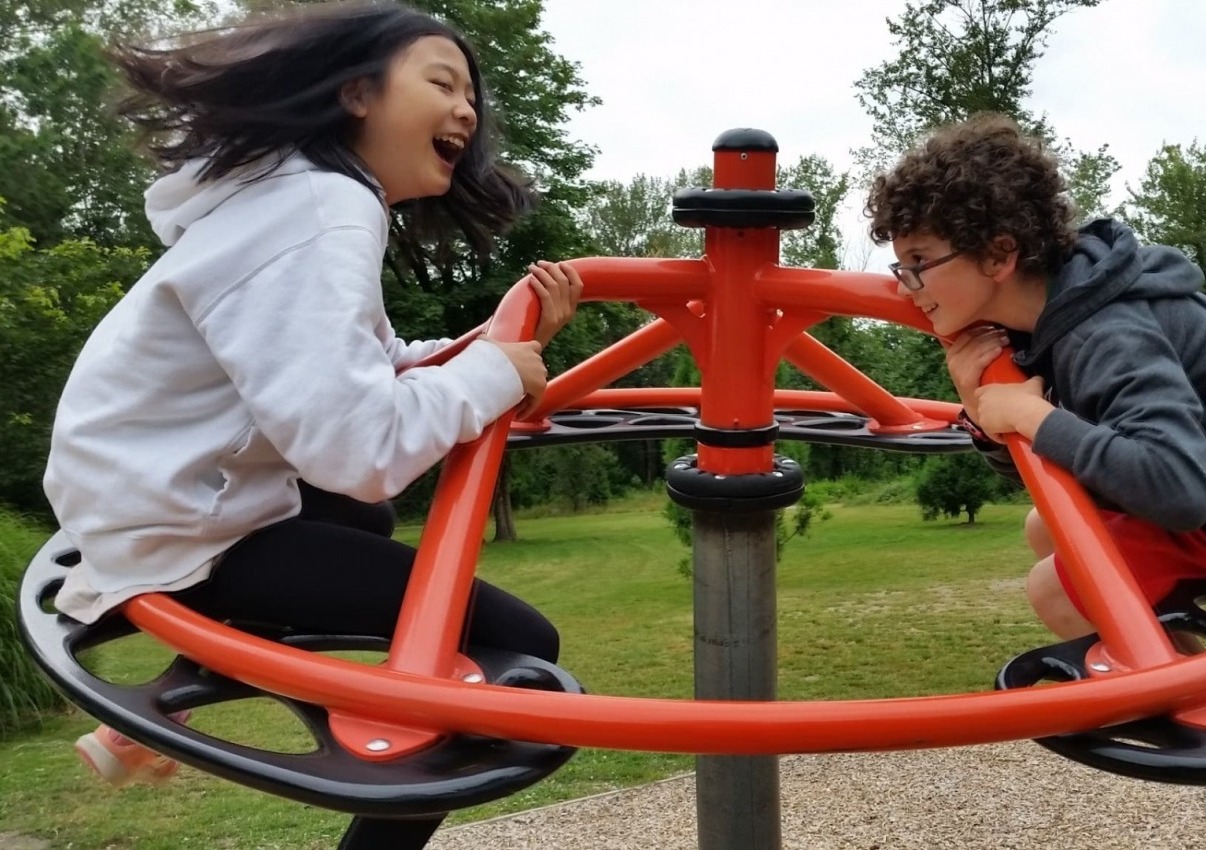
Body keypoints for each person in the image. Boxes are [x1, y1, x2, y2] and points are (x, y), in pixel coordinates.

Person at [42, 2, 583, 847]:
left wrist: (496, 350)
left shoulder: (291, 198)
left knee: (356, 525)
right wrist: (488, 377)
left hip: (150, 500)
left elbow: (368, 369)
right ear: (358, 92)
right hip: (186, 529)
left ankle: (164, 697)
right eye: (442, 81)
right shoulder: (325, 208)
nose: (467, 110)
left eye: (471, 94)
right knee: (512, 646)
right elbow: (358, 447)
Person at [864, 113, 1206, 643]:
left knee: (1058, 589)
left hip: (1189, 490)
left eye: (919, 262)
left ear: (999, 254)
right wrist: (982, 412)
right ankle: (1172, 669)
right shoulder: (1042, 321)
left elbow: (1180, 486)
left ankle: (1184, 701)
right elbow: (1044, 467)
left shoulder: (1105, 333)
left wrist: (1032, 414)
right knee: (1046, 525)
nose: (907, 288)